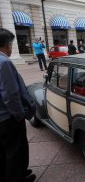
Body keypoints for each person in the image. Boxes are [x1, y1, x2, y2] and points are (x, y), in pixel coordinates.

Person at [0, 28, 36, 182]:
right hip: (8, 117)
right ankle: (18, 177)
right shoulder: (4, 62)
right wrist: (20, 115)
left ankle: (13, 174)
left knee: (4, 151)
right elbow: (10, 94)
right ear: (7, 45)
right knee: (17, 150)